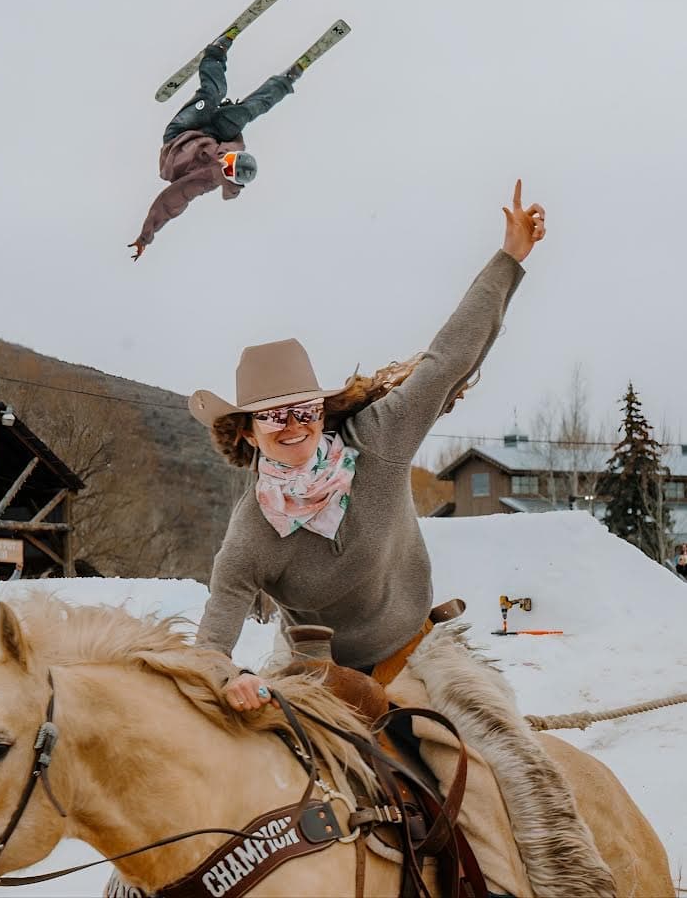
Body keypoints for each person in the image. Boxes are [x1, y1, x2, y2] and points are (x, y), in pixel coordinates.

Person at [187, 183, 616, 895]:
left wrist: (509, 258)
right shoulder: (251, 532)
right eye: (273, 417)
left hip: (420, 654)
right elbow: (211, 640)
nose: (292, 426)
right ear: (247, 432)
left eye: (303, 410)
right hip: (315, 678)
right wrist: (227, 677)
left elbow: (448, 358)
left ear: (321, 411)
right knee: (246, 797)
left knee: (503, 780)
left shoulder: (378, 441)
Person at [129, 33, 299, 263]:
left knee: (213, 95)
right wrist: (232, 114)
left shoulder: (202, 182)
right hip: (213, 133)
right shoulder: (233, 148)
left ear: (228, 175)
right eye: (230, 159)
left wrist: (145, 237)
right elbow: (241, 124)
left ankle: (214, 55)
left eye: (227, 166)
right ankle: (284, 81)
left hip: (179, 135)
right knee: (247, 111)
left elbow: (168, 204)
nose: (224, 160)